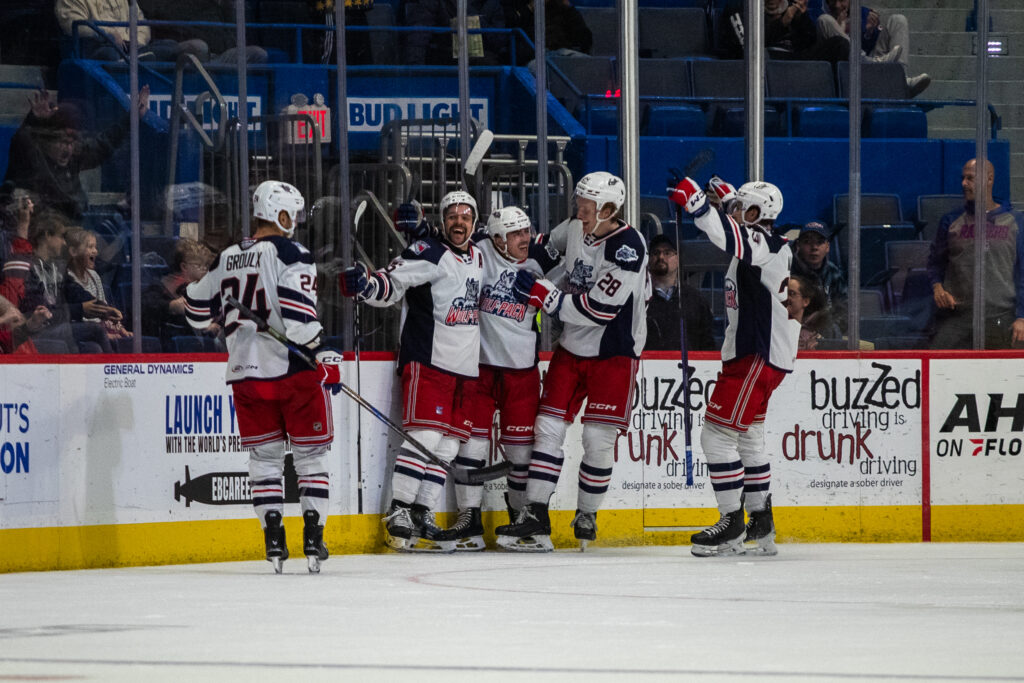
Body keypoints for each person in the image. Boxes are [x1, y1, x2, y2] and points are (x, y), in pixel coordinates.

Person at [184, 180, 342, 573]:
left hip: (244, 374)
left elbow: (194, 310)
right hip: (293, 371)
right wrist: (323, 352)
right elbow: (301, 320)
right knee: (310, 458)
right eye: (294, 214)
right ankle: (313, 538)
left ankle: (273, 541)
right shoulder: (292, 253)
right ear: (282, 214)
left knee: (264, 460)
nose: (297, 222)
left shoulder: (227, 256)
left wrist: (221, 314)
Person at [494, 171, 649, 552]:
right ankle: (535, 514)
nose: (578, 211)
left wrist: (545, 297)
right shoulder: (580, 225)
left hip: (614, 353)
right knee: (547, 428)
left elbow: (599, 311)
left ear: (609, 209)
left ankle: (586, 513)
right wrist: (498, 240)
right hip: (570, 349)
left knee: (598, 439)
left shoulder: (628, 247)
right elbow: (545, 250)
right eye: (578, 203)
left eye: (586, 206)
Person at [338, 190, 484, 553]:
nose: (459, 221)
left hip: (465, 370)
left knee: (448, 446)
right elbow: (392, 282)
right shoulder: (430, 253)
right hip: (429, 362)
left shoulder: (480, 255)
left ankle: (421, 513)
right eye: (452, 215)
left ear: (474, 221)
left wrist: (421, 226)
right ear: (444, 220)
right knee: (426, 440)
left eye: (466, 216)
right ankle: (399, 511)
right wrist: (367, 285)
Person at [668, 175, 800, 557]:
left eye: (747, 208)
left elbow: (735, 238)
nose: (739, 213)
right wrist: (727, 200)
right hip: (759, 356)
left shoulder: (768, 245)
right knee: (749, 437)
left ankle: (732, 523)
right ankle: (760, 518)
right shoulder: (764, 241)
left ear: (763, 213)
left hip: (755, 356)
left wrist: (698, 205)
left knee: (716, 436)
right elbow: (739, 230)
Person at [432, 205, 560, 550]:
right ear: (498, 239)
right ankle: (469, 520)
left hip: (523, 375)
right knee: (469, 446)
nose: (524, 239)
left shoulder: (539, 260)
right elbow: (446, 249)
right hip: (481, 370)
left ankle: (525, 523)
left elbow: (574, 256)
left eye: (527, 232)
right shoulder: (480, 252)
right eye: (516, 234)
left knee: (521, 454)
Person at [4, 86, 151, 221]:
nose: (68, 149)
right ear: (47, 139)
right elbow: (22, 142)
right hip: (41, 229)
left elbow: (102, 144)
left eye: (71, 142)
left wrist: (131, 118)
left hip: (72, 225)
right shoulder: (32, 156)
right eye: (63, 141)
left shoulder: (75, 154)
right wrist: (34, 120)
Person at [927, 158, 1024, 350]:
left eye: (970, 178)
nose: (964, 183)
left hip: (1003, 316)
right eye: (963, 178)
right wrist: (938, 288)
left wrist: (1022, 316)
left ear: (989, 179)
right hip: (960, 316)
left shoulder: (1015, 222)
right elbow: (935, 263)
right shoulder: (951, 221)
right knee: (936, 361)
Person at [817, 0, 931, 97]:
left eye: (842, 0)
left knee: (898, 20)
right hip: (846, 74)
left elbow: (876, 47)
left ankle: (901, 81)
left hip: (871, 68)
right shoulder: (821, 17)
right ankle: (869, 62)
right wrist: (841, 29)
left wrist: (868, 33)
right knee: (825, 19)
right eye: (832, 0)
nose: (837, 5)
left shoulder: (863, 14)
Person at [142, 238, 220, 352]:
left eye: (206, 266)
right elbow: (147, 307)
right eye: (200, 265)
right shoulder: (156, 291)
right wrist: (170, 306)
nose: (205, 270)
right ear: (184, 267)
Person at [137, 0, 268, 65]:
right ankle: (207, 97)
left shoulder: (213, 5)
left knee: (258, 54)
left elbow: (228, 41)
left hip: (216, 57)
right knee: (199, 47)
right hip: (182, 55)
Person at [645, 233, 716, 352]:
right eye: (656, 253)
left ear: (678, 259)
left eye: (667, 253)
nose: (661, 257)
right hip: (646, 367)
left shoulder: (696, 300)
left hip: (687, 368)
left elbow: (707, 343)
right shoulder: (640, 298)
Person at [64, 227, 132, 347]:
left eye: (95, 247)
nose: (95, 251)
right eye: (90, 247)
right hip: (87, 333)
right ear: (73, 252)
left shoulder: (94, 275)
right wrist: (106, 334)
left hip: (102, 329)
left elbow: (103, 306)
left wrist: (120, 329)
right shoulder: (68, 277)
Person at [55, 0, 186, 61]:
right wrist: (108, 34)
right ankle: (132, 61)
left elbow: (141, 23)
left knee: (171, 46)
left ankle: (134, 60)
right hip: (97, 50)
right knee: (109, 54)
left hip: (132, 49)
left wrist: (136, 42)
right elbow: (73, 25)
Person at [403, 0, 507, 66]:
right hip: (445, 60)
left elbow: (499, 41)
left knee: (489, 62)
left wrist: (477, 20)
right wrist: (415, 70)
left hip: (484, 63)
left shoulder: (492, 3)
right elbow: (418, 35)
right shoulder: (432, 3)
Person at [790, 220, 847, 332]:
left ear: (827, 247)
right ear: (798, 245)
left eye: (819, 242)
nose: (814, 247)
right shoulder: (787, 271)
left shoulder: (834, 273)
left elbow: (844, 309)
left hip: (825, 333)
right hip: (790, 331)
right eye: (807, 242)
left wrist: (823, 319)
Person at [505, 0, 592, 66]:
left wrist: (569, 8)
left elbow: (585, 39)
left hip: (564, 53)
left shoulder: (564, 8)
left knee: (588, 64)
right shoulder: (516, 5)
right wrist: (530, 8)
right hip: (534, 57)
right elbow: (510, 28)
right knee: (540, 68)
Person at [786, 273, 829, 351]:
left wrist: (812, 353)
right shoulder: (771, 328)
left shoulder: (816, 333)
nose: (786, 298)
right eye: (784, 294)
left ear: (805, 301)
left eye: (792, 294)